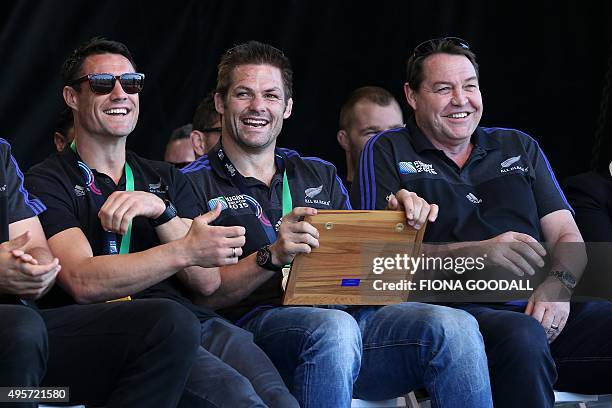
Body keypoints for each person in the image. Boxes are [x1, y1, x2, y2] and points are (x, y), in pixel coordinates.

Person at [182, 40, 493, 408]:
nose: (258, 107)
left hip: (348, 324)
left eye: (271, 95)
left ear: (288, 106)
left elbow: (366, 275)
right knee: (334, 330)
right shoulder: (190, 182)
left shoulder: (319, 172)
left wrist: (397, 228)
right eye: (243, 94)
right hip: (253, 335)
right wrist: (274, 254)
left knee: (456, 326)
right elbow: (206, 295)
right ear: (220, 103)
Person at [25, 37, 298, 408]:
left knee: (283, 403)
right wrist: (182, 249)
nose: (120, 94)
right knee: (238, 400)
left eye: (132, 83)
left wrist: (163, 212)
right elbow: (83, 281)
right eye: (103, 84)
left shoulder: (166, 177)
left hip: (197, 321)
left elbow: (206, 281)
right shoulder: (46, 179)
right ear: (72, 97)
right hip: (123, 330)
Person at [352, 36, 612, 407]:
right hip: (459, 320)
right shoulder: (388, 150)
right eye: (444, 89)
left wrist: (559, 287)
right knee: (521, 336)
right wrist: (478, 254)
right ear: (412, 96)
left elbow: (568, 235)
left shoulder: (518, 145)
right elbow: (376, 262)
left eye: (469, 86)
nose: (461, 100)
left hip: (546, 309)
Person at [0, 138, 201, 408]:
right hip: (17, 340)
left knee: (170, 323)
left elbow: (34, 245)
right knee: (22, 329)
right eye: (103, 90)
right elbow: (83, 282)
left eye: (132, 91)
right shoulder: (51, 176)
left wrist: (33, 269)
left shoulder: (1, 151)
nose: (120, 95)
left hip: (29, 344)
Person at [336, 86, 404, 189]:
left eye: (395, 131)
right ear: (345, 140)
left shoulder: (421, 195)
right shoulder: (334, 200)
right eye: (373, 133)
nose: (387, 142)